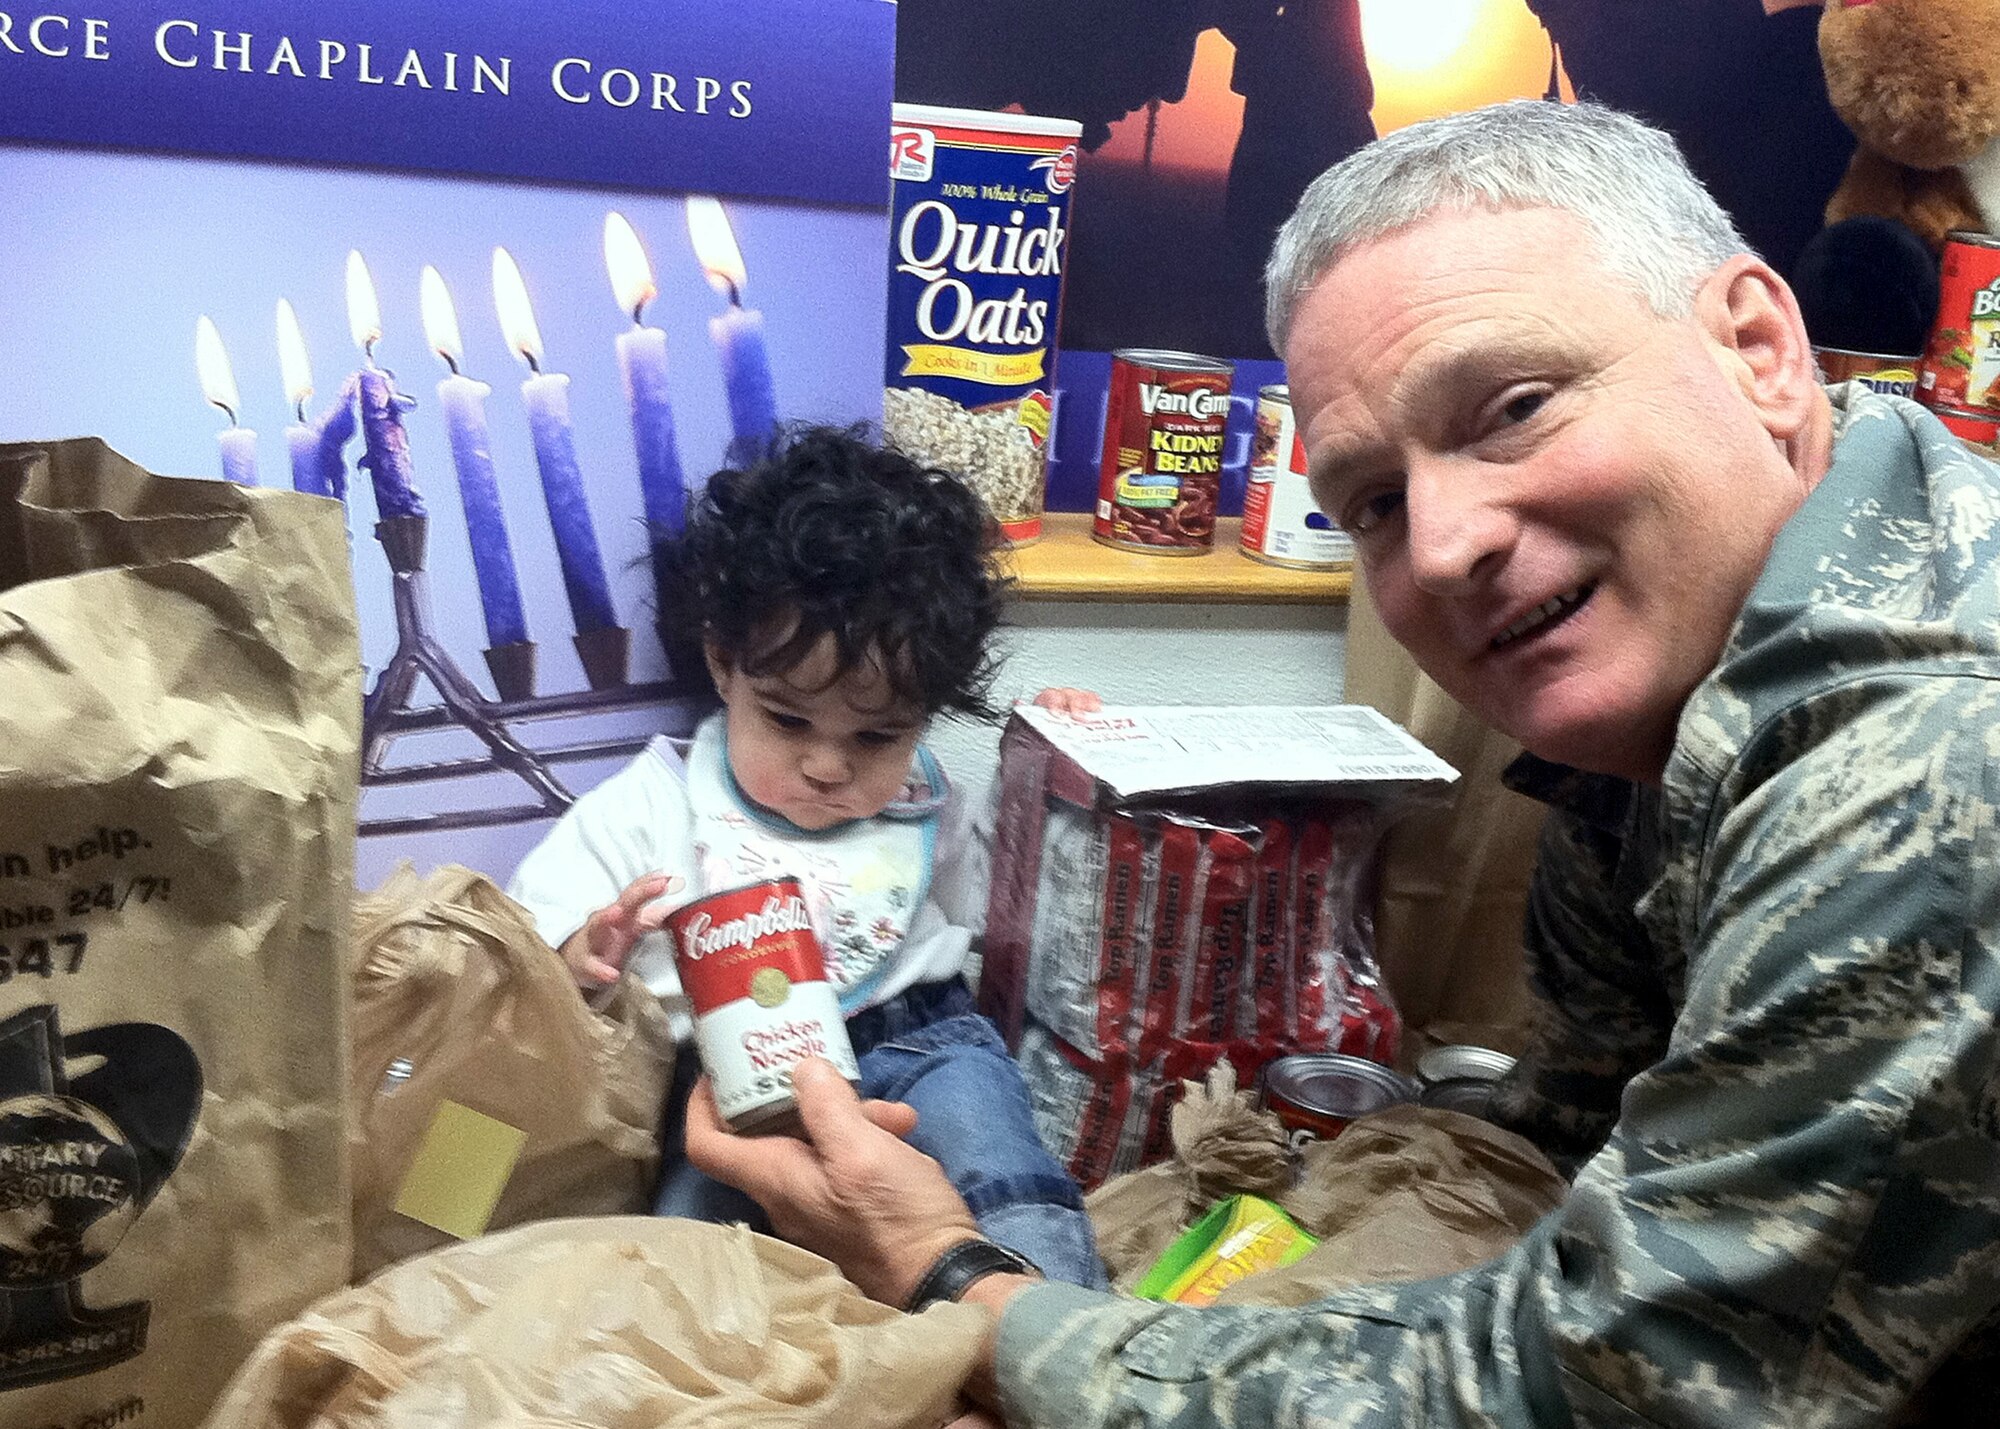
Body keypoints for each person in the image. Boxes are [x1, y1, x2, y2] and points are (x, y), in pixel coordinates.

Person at [685, 102, 2000, 1426]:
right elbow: (1574, 1158)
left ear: (1760, 350)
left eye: (1515, 409)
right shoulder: (1649, 725)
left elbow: (1610, 1386)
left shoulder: (1926, 757)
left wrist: (958, 1286)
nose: (1437, 548)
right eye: (1371, 498)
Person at [507, 425, 1106, 1289]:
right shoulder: (657, 801)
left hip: (922, 1039)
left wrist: (1054, 752)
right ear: (723, 664)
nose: (828, 765)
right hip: (728, 1078)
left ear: (926, 714)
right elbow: (530, 938)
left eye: (877, 734)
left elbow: (1018, 896)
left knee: (1005, 1173)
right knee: (681, 1242)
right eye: (788, 720)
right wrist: (586, 955)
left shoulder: (925, 804)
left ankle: (1062, 1337)